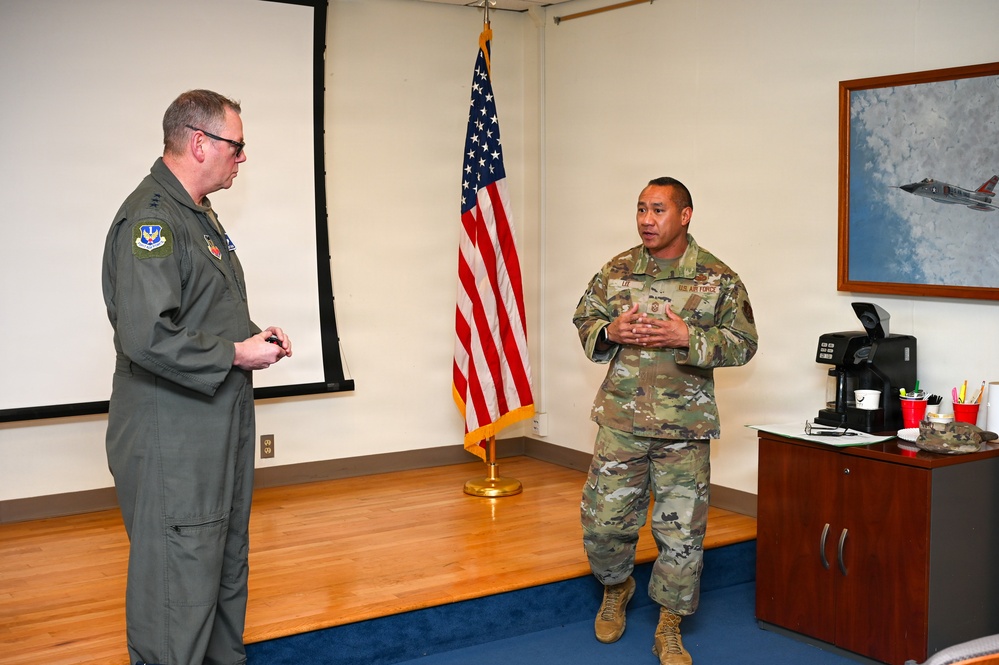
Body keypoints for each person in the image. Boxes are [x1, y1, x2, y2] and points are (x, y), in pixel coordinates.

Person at [101, 89, 292, 665]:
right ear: (199, 142)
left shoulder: (198, 214)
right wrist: (236, 354)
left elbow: (204, 313)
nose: (242, 158)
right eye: (236, 146)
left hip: (214, 427)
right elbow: (146, 334)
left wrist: (254, 338)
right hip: (174, 437)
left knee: (222, 564)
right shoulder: (151, 221)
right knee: (178, 584)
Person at [572, 177, 758, 665]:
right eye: (640, 210)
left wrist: (687, 337)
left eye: (657, 210)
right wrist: (608, 330)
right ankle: (616, 588)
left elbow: (743, 343)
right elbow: (584, 320)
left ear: (685, 215)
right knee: (604, 524)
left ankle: (670, 625)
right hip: (620, 421)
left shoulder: (717, 277)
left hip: (684, 429)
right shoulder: (617, 270)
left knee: (681, 536)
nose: (646, 220)